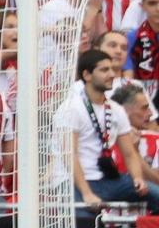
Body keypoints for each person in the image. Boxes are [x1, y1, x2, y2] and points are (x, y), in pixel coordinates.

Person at [57, 48, 157, 213]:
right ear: (87, 75)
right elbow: (69, 154)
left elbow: (129, 153)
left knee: (155, 194)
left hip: (109, 180)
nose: (111, 74)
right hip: (76, 182)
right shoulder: (71, 108)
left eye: (112, 69)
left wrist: (138, 178)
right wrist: (87, 193)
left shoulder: (116, 108)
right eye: (104, 70)